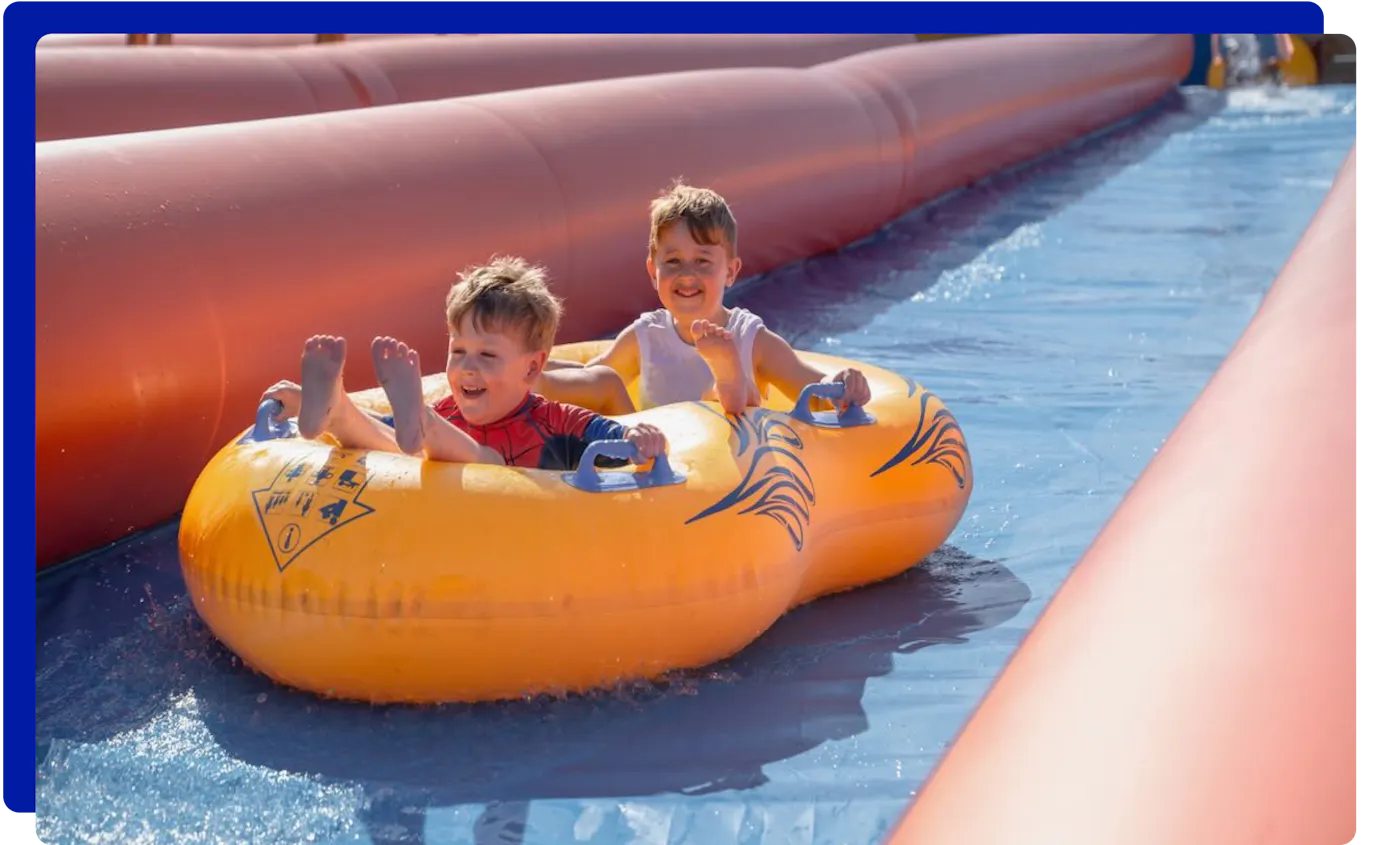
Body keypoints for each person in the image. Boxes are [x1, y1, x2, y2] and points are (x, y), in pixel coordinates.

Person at [260, 256, 668, 470]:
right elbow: (384, 432)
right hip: (439, 468)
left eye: (488, 355)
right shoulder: (450, 409)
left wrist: (641, 439)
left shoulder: (556, 420)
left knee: (485, 462)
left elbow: (609, 435)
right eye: (458, 352)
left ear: (531, 368)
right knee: (394, 443)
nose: (467, 368)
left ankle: (413, 426)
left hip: (519, 508)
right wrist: (308, 404)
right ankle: (337, 411)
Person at [545, 183, 871, 417]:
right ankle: (727, 385)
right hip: (659, 468)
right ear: (652, 271)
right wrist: (535, 366)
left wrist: (840, 383)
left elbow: (810, 391)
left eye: (703, 261)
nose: (687, 274)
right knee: (604, 383)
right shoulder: (643, 336)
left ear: (730, 272)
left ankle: (728, 382)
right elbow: (589, 383)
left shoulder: (750, 338)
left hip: (730, 470)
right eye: (673, 262)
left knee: (723, 401)